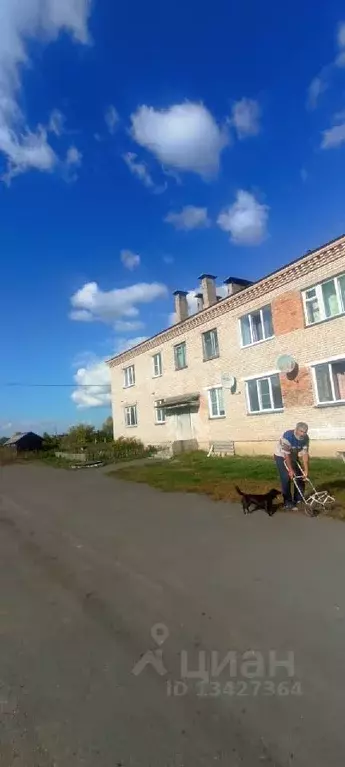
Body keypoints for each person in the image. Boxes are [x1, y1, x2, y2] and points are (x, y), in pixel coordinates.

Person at [274, 422, 309, 510]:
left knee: (300, 476)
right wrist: (290, 470)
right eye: (301, 431)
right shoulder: (287, 436)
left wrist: (306, 470)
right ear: (296, 430)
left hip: (293, 456)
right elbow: (286, 455)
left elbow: (305, 454)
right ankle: (288, 502)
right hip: (281, 456)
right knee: (286, 477)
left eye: (305, 432)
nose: (303, 434)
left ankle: (298, 499)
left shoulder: (305, 438)